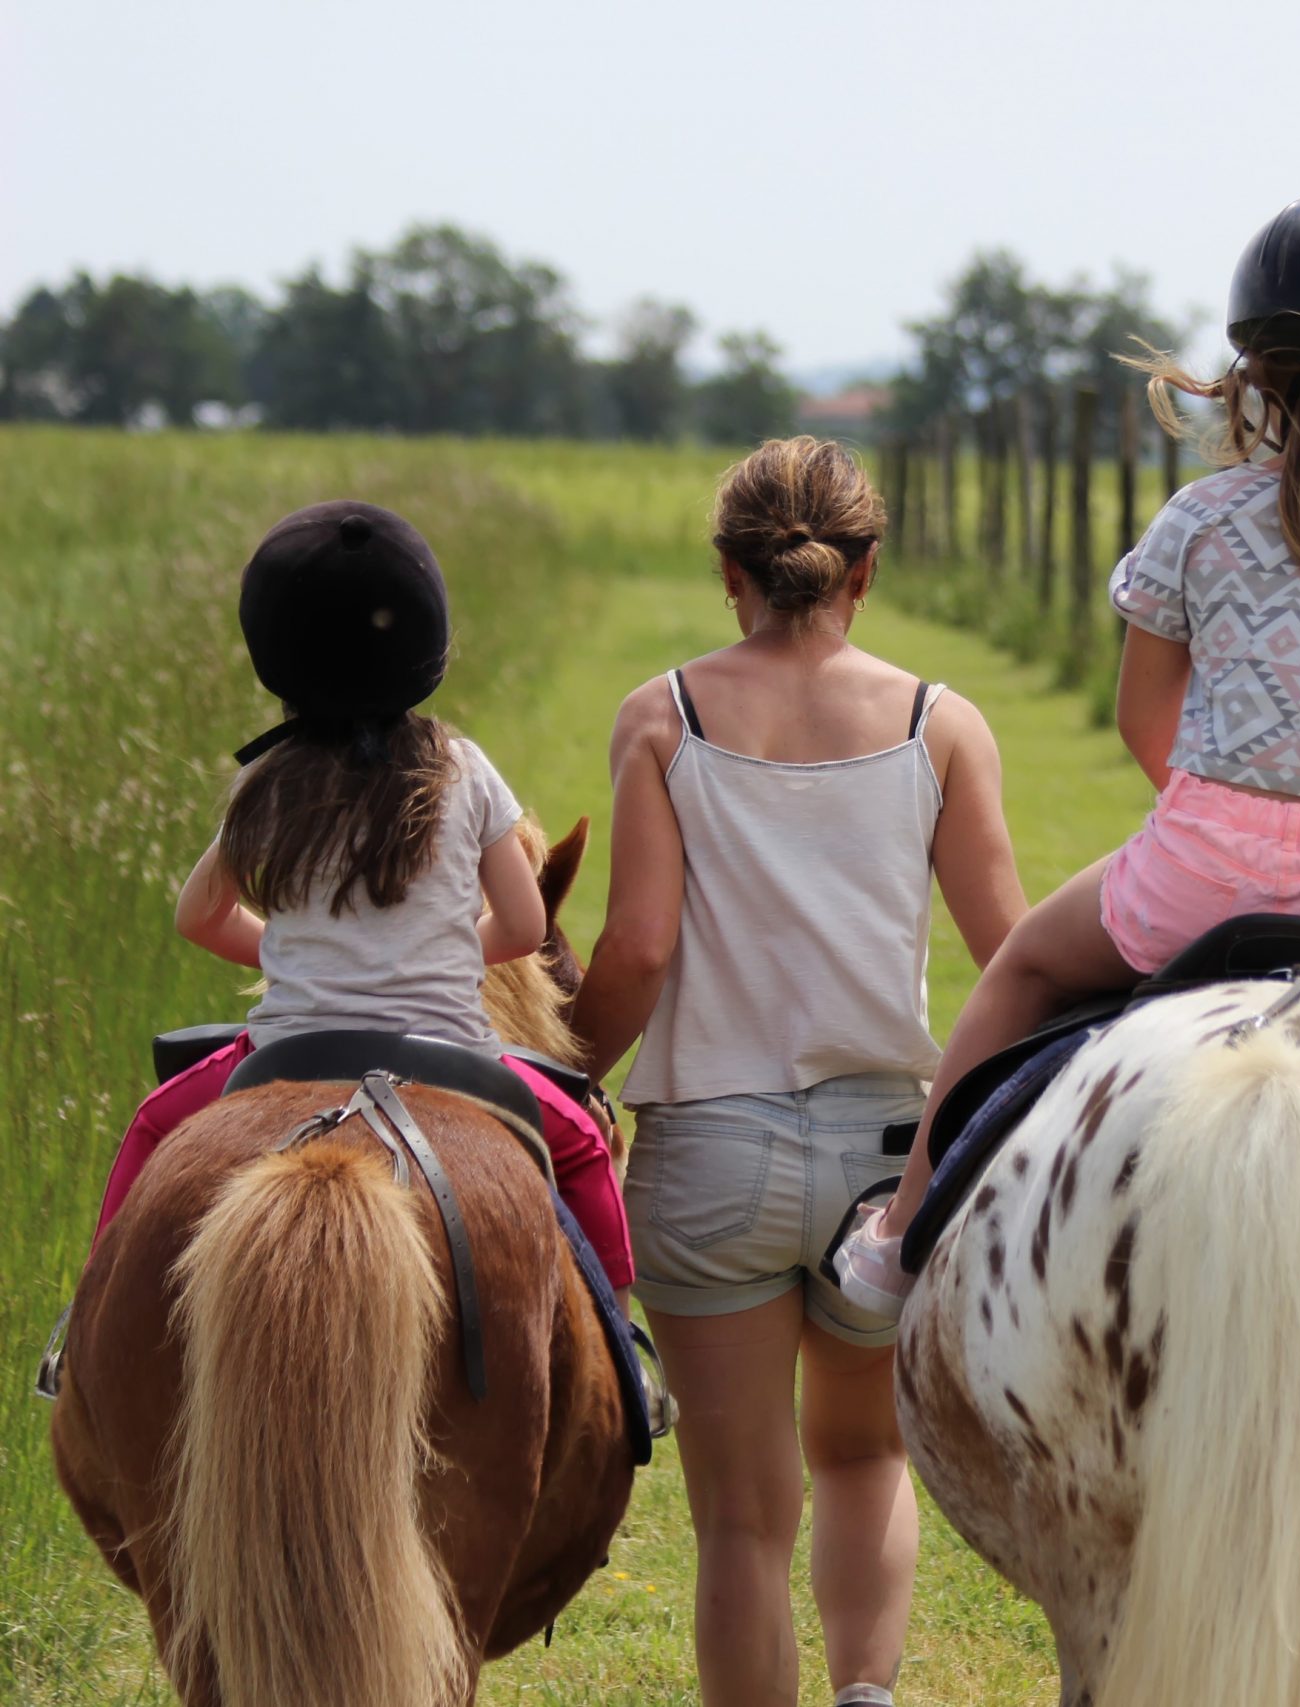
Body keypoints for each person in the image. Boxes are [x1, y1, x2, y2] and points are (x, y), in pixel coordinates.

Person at [828, 187, 1300, 1317]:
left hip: (1194, 878)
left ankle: (897, 1239)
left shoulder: (1200, 519)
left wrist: (1226, 812)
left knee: (1025, 963)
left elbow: (1143, 716)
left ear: (1256, 370)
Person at [568, 436, 1024, 1707]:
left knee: (738, 1521)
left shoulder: (664, 718)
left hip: (711, 1160)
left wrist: (559, 1070)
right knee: (866, 1456)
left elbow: (640, 948)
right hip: (891, 1157)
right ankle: (868, 1694)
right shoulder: (944, 725)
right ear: (864, 571)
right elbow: (1007, 960)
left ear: (730, 573)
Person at [93, 501, 631, 1295]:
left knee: (151, 1125)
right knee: (584, 1143)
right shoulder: (463, 766)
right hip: (450, 1053)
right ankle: (624, 1342)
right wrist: (436, 951)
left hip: (285, 1052)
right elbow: (523, 926)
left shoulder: (265, 783)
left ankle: (86, 1322)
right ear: (425, 641)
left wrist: (286, 951)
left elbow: (197, 916)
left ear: (275, 649)